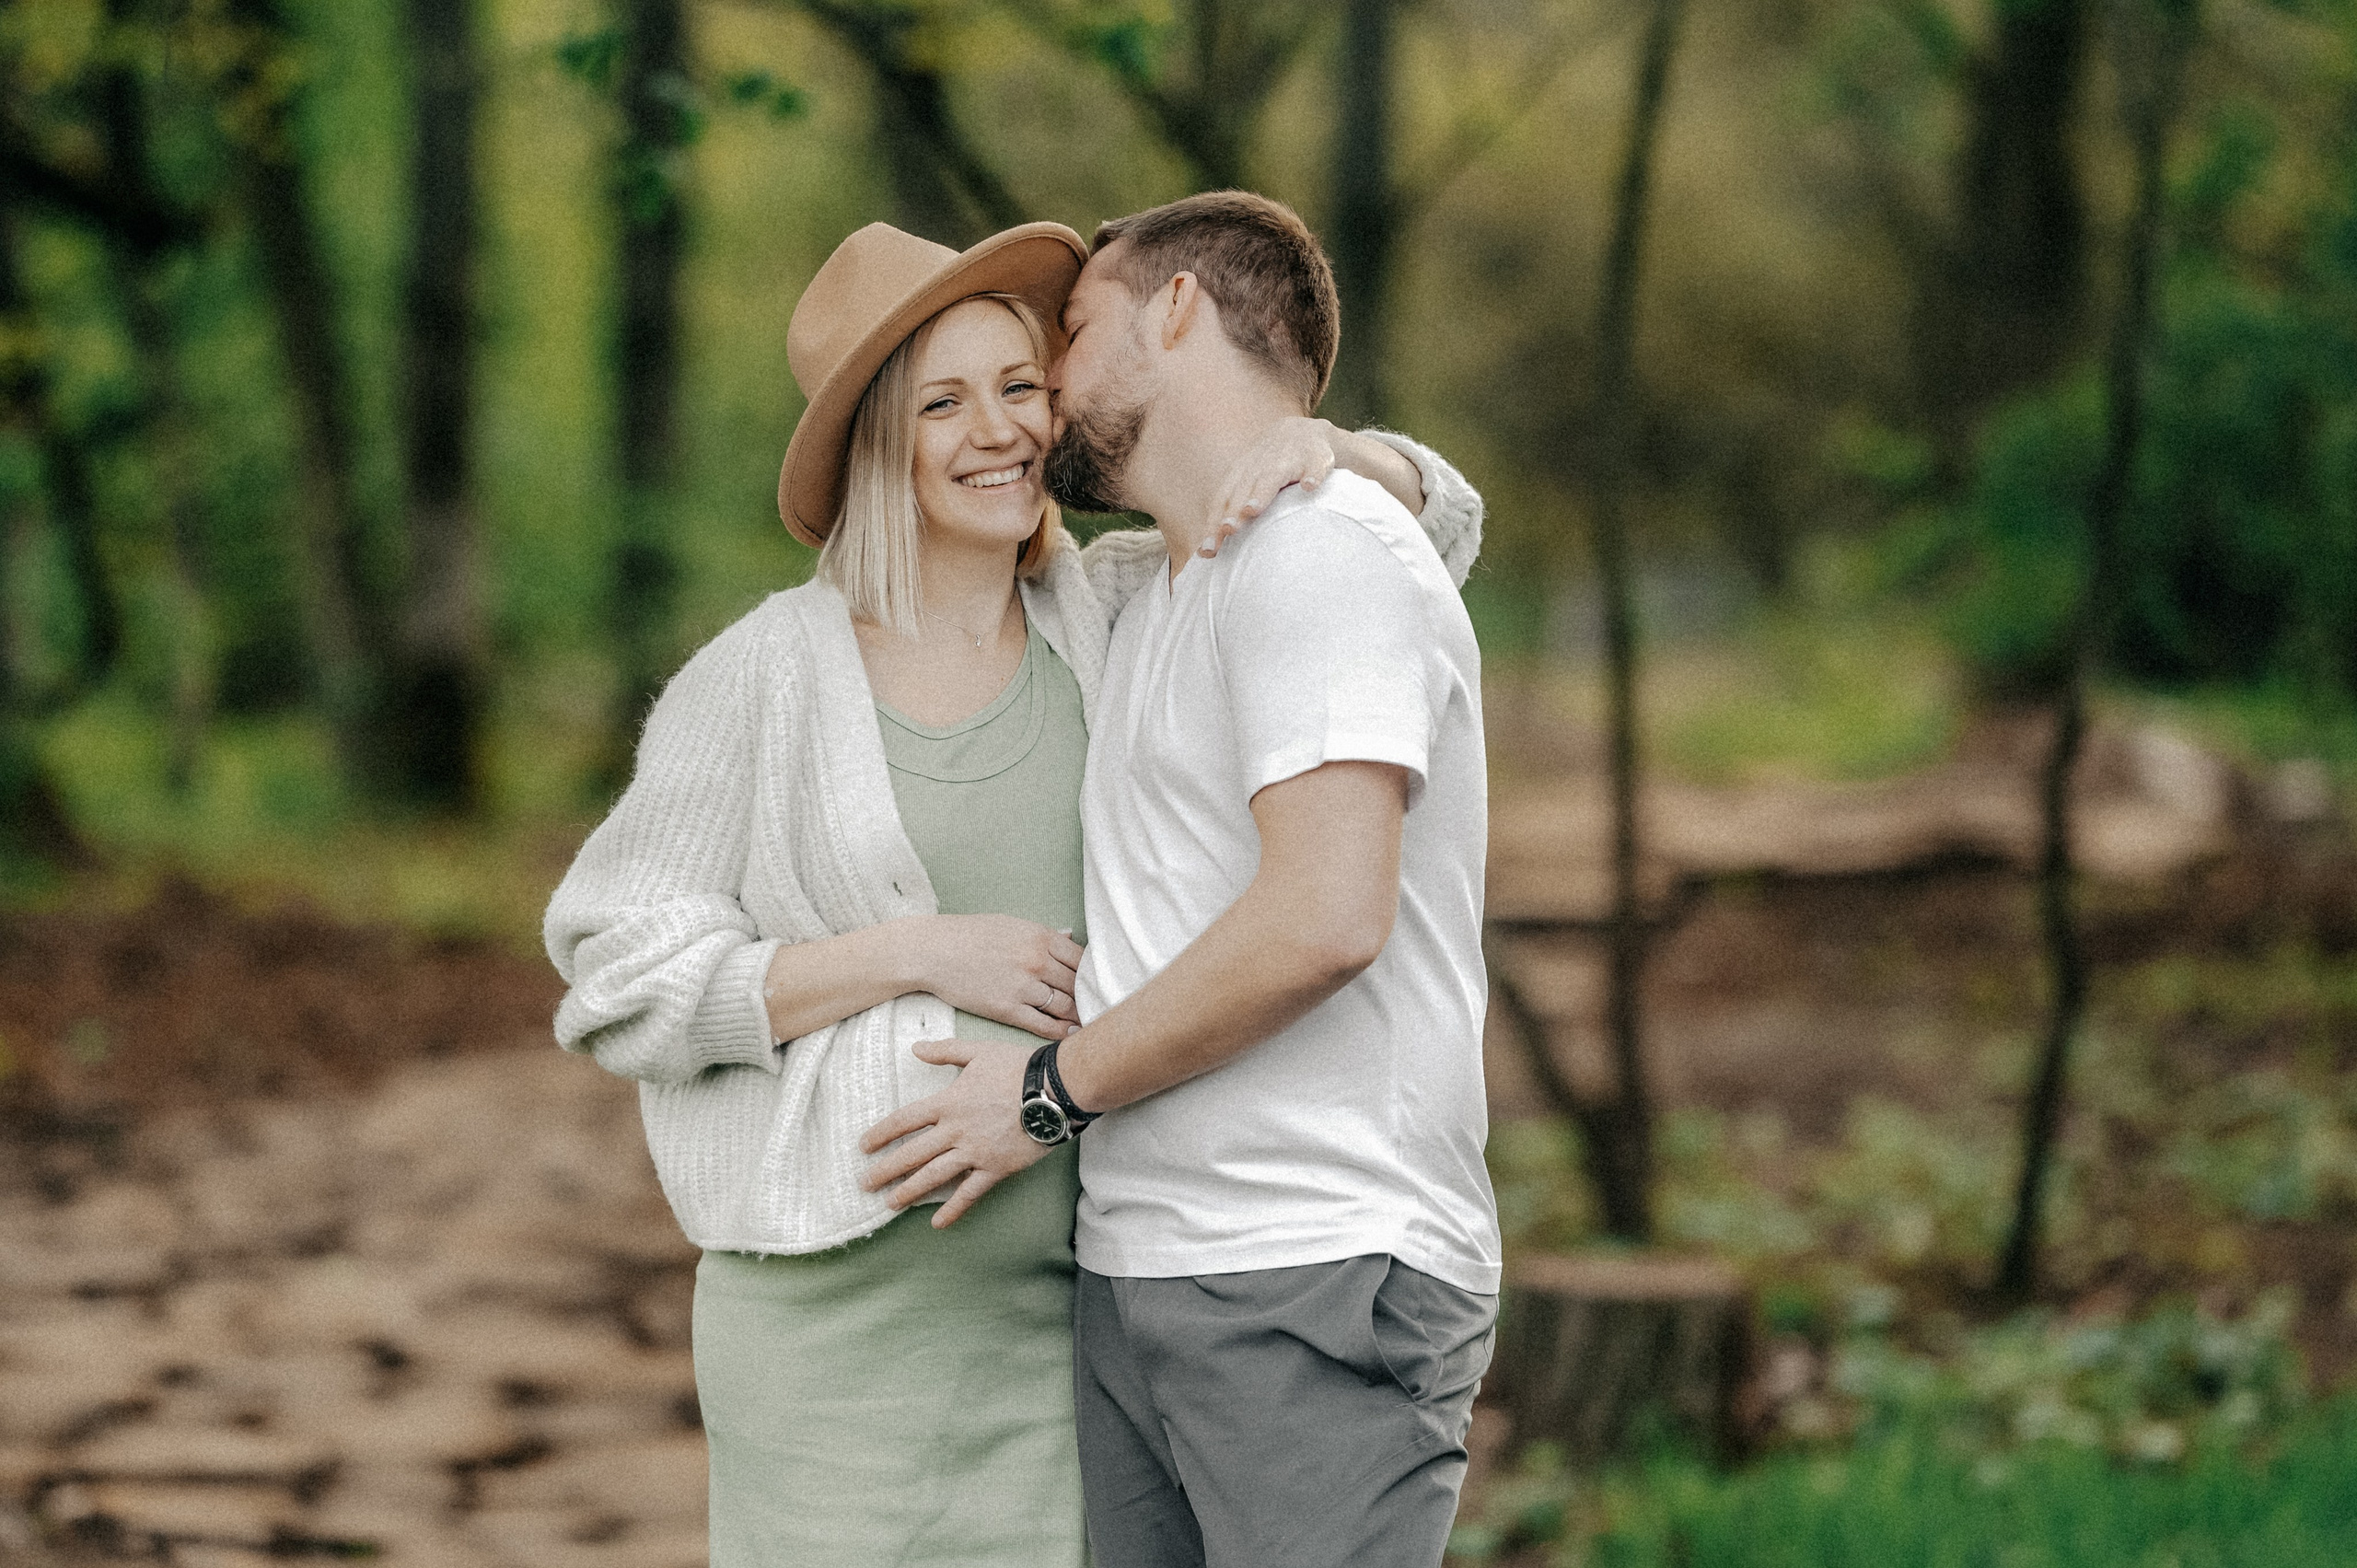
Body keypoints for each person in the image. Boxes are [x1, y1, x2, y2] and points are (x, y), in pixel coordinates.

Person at [542, 216, 1486, 1567]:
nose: (999, 430)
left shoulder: (1117, 609)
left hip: (1076, 1316)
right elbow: (616, 983)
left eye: (1020, 385)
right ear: (881, 441)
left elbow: (1407, 550)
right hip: (840, 1329)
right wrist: (914, 953)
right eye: (942, 401)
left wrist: (1343, 449)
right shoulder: (762, 679)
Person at [860, 192, 1500, 1568]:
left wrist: (1047, 1092)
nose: (1038, 406)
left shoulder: (1319, 546)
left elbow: (1327, 915)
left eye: (1068, 336)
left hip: (1312, 1259)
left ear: (1178, 309)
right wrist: (1397, 464)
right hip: (1145, 1266)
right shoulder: (1146, 587)